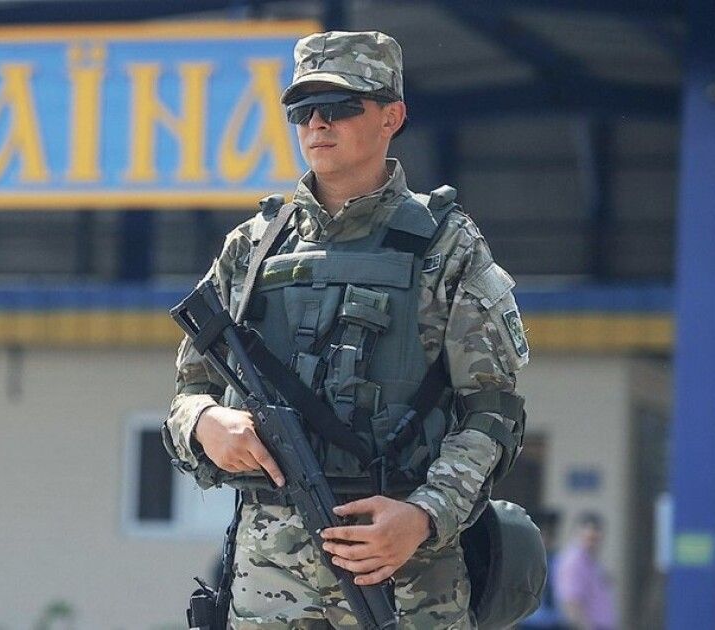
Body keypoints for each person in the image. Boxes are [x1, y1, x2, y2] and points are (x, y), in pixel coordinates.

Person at [163, 30, 529, 628]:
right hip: (269, 575)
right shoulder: (252, 248)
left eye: (339, 106)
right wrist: (205, 424)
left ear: (392, 117)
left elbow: (492, 412)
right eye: (303, 110)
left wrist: (425, 515)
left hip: (405, 571)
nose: (317, 124)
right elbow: (187, 392)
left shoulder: (447, 245)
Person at [553, 512, 616, 630]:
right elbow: (572, 603)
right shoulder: (573, 562)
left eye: (596, 538)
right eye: (590, 538)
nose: (593, 542)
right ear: (577, 534)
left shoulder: (592, 562)